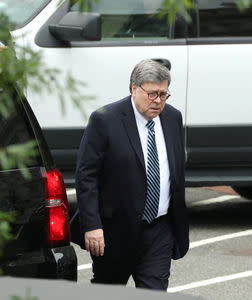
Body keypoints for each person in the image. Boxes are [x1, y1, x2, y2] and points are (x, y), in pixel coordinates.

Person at [75, 59, 189, 290]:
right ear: (134, 88)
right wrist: (92, 225)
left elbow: (175, 170)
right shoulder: (105, 120)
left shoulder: (172, 118)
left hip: (159, 230)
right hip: (114, 232)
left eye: (164, 94)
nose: (158, 101)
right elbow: (86, 175)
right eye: (152, 94)